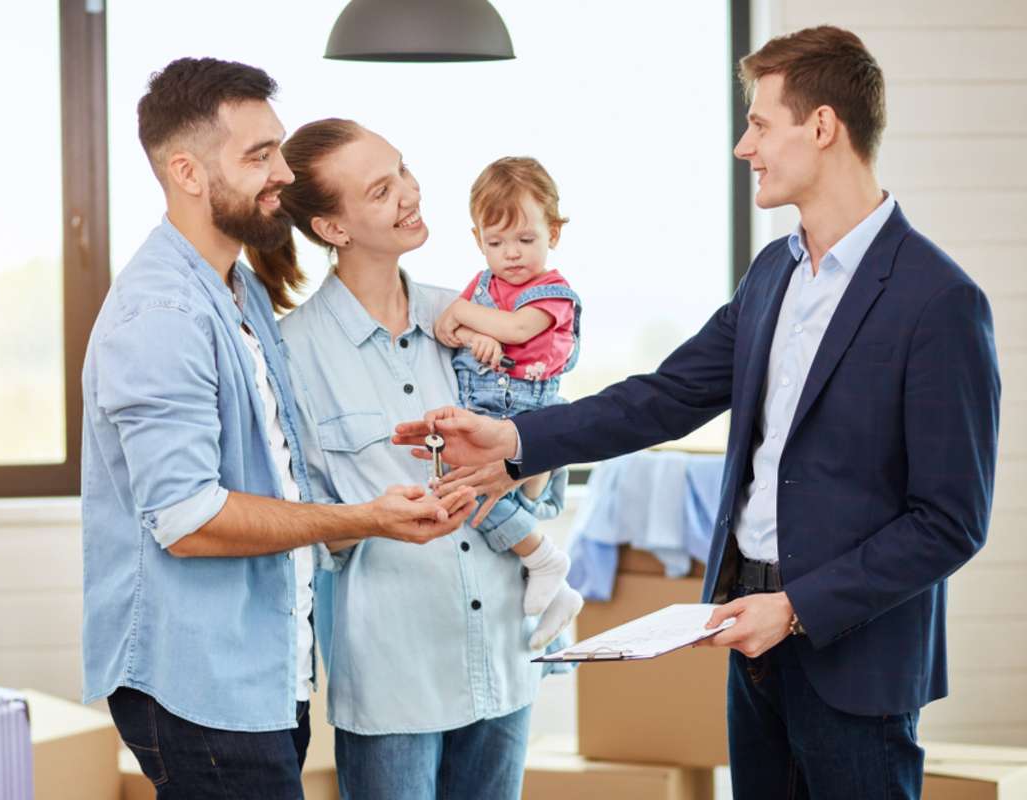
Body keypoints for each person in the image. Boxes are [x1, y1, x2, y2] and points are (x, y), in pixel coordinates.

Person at [395, 26, 1000, 799]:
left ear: (822, 127)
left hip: (855, 657)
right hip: (747, 634)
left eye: (760, 124)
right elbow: (665, 395)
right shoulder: (774, 272)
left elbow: (950, 520)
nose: (745, 147)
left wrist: (798, 609)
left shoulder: (939, 301)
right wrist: (518, 438)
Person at [80, 59, 474, 800]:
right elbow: (188, 517)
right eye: (259, 157)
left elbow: (278, 467)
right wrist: (363, 518)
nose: (281, 176)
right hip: (199, 686)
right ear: (188, 172)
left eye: (279, 152)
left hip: (261, 675)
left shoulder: (239, 289)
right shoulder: (163, 317)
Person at [264, 118, 573, 800]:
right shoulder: (293, 354)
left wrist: (528, 454)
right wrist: (375, 518)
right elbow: (301, 527)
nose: (410, 193)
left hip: (502, 651)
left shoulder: (468, 318)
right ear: (333, 228)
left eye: (403, 170)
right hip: (392, 677)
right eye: (381, 190)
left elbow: (539, 488)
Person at [433, 156, 583, 627]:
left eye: (525, 239)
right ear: (478, 240)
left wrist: (470, 320)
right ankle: (553, 584)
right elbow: (444, 326)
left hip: (526, 408)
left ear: (553, 234)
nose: (511, 254)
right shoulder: (481, 287)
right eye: (496, 242)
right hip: (484, 408)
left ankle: (543, 559)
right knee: (492, 499)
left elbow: (517, 328)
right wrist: (474, 335)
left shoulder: (554, 293)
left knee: (474, 494)